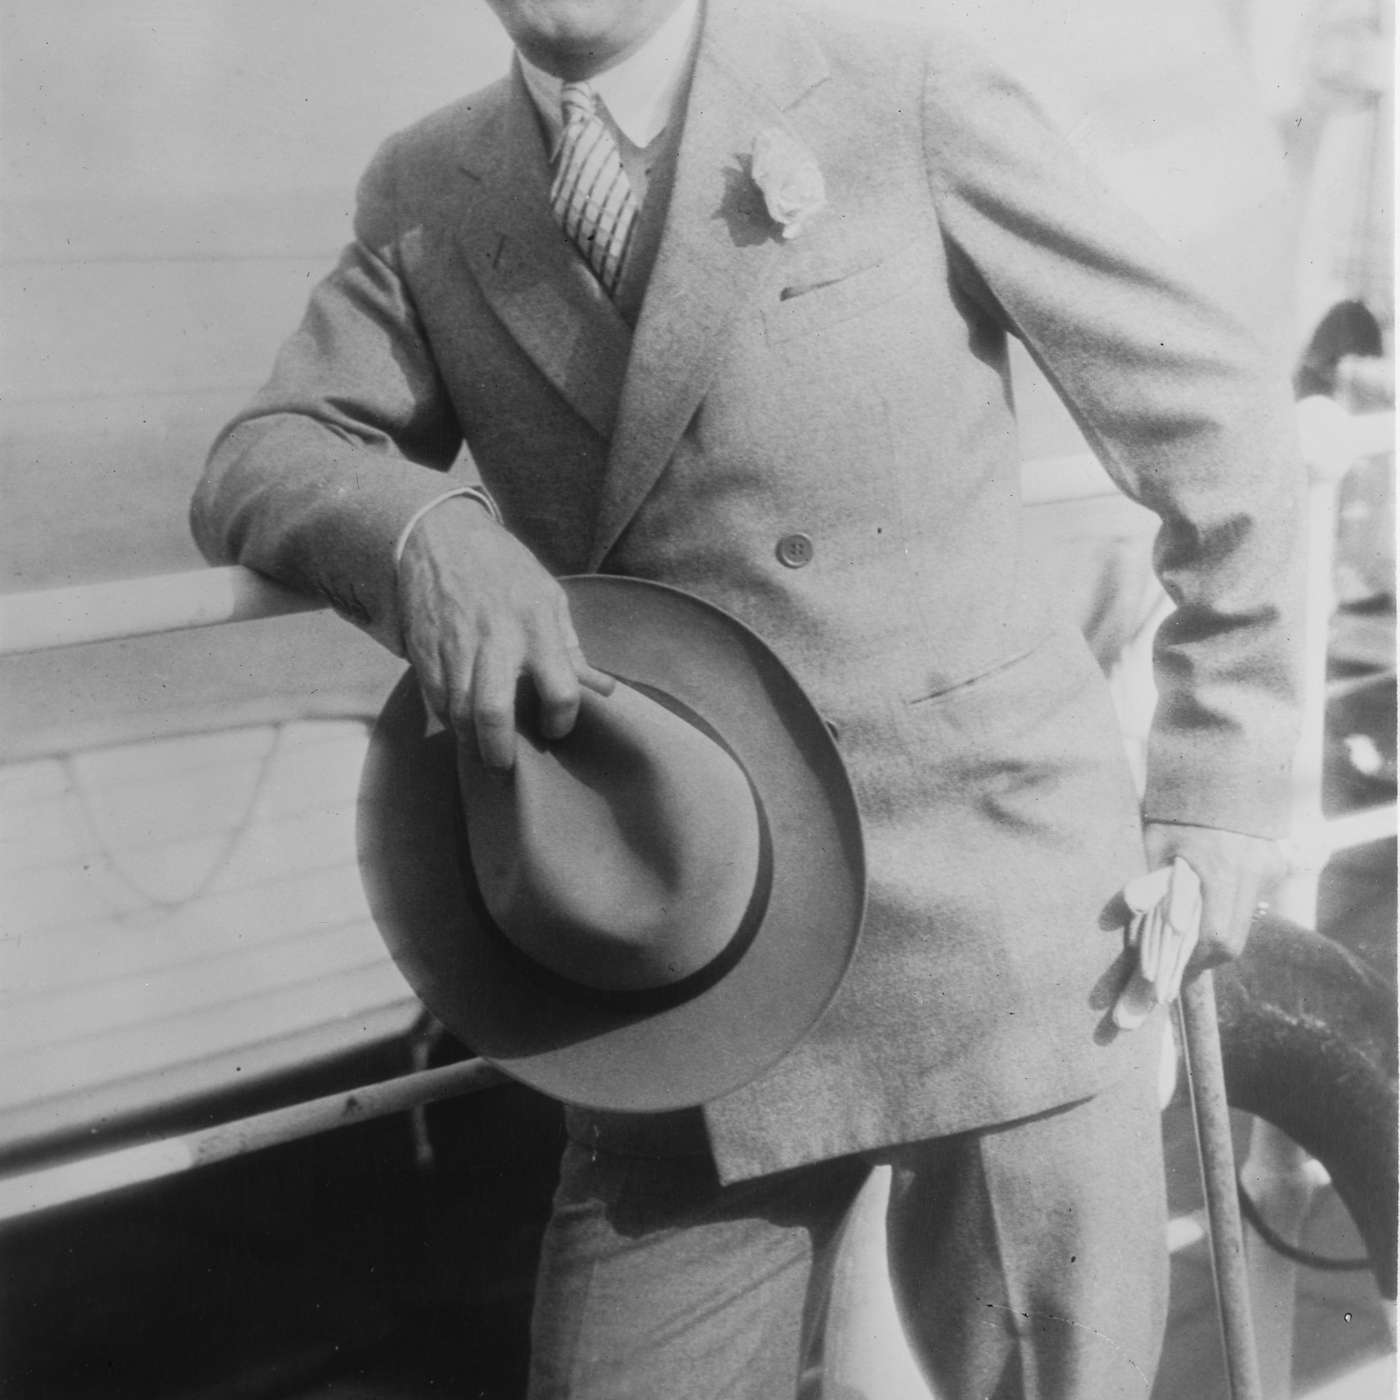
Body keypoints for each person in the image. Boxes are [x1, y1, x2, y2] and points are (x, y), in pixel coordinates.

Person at [190, 0, 1305, 1394]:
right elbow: (264, 455)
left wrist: (1221, 785)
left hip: (1001, 921)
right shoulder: (431, 185)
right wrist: (426, 537)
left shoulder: (902, 90)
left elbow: (1217, 415)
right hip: (689, 957)